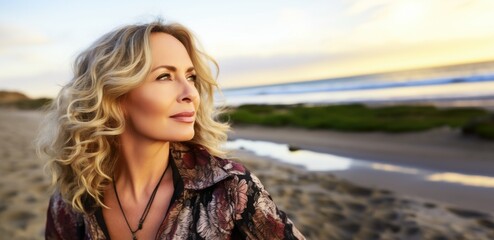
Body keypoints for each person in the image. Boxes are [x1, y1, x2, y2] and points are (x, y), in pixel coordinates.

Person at [36, 20, 305, 240]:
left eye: (190, 77)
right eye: (164, 76)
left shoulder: (231, 189)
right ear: (112, 95)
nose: (190, 93)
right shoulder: (72, 201)